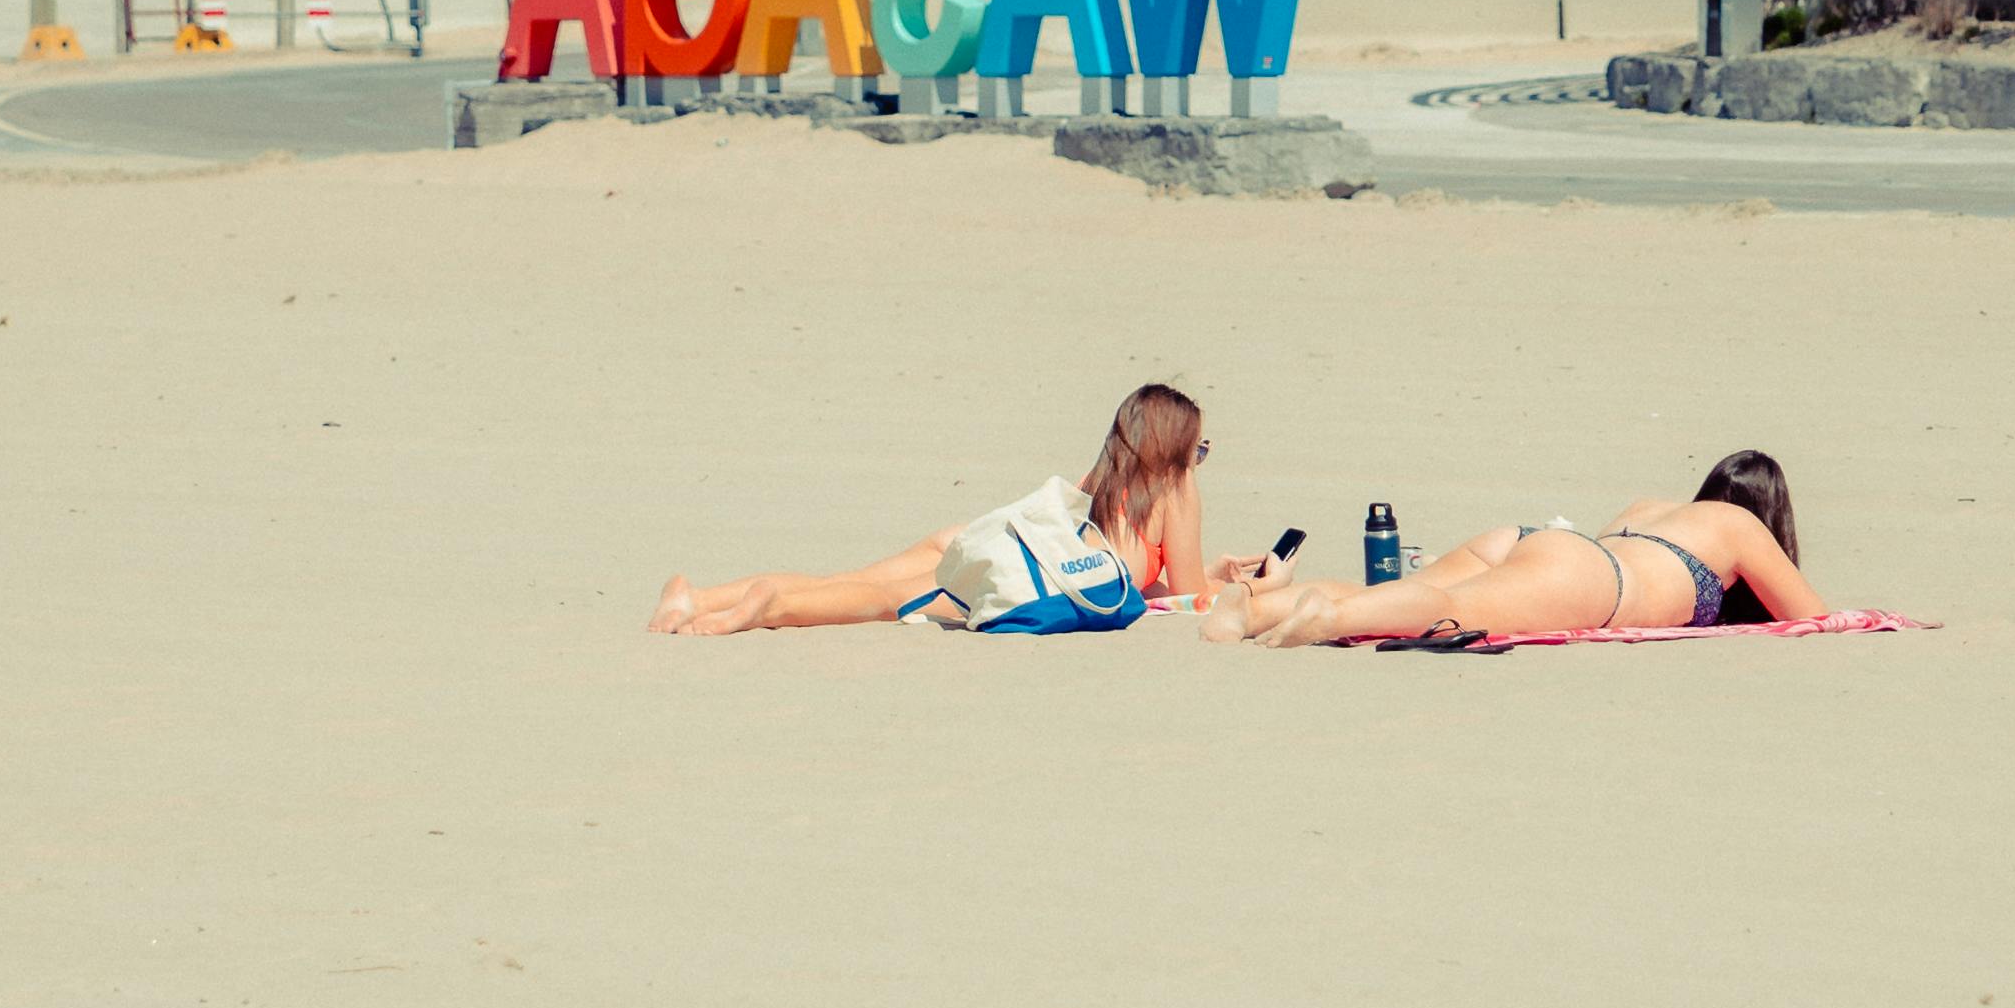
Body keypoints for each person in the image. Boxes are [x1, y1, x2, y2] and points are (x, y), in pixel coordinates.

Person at [651, 380, 1276, 638]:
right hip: (1024, 571)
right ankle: (770, 606)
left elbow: (1145, 569)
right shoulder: (1175, 487)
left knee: (857, 578)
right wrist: (1231, 585)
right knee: (883, 601)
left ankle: (696, 598)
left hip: (998, 533)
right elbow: (1189, 595)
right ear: (1175, 447)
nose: (1200, 456)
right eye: (1199, 446)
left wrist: (1212, 570)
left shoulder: (1105, 472)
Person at [1201, 445, 1824, 648]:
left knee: (1401, 591)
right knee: (1448, 610)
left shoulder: (1650, 508)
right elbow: (1810, 617)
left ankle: (1256, 609)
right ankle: (1328, 619)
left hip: (1541, 543)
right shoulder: (1742, 528)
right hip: (1592, 579)